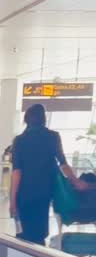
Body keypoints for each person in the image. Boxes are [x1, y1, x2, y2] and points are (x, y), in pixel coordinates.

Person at [10, 103, 89, 246]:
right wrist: (76, 181)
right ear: (44, 119)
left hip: (24, 193)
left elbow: (17, 172)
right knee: (39, 232)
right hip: (44, 192)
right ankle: (39, 254)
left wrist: (12, 200)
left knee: (24, 233)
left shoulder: (19, 141)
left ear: (26, 119)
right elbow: (63, 163)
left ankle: (23, 256)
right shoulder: (53, 137)